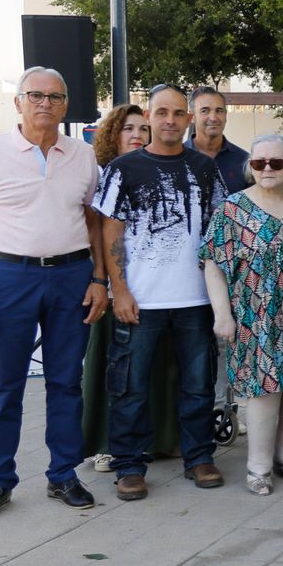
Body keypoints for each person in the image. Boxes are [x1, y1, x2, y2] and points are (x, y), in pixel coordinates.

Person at [0, 67, 108, 521]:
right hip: (9, 278)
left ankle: (63, 473)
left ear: (66, 105)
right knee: (5, 384)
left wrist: (100, 278)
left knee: (66, 382)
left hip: (71, 277)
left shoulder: (82, 156)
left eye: (56, 97)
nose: (45, 103)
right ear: (18, 101)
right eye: (36, 95)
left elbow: (94, 222)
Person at [95, 84, 229, 500]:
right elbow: (109, 229)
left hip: (195, 300)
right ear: (149, 118)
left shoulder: (204, 169)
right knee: (130, 386)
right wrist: (119, 290)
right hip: (143, 299)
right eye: (161, 113)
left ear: (187, 120)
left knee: (198, 384)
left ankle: (200, 457)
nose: (169, 120)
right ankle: (129, 465)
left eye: (177, 113)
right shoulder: (124, 168)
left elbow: (219, 227)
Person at [200, 134, 283, 495]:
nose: (267, 169)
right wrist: (222, 315)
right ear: (251, 167)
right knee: (263, 391)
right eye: (259, 163)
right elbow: (212, 262)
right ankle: (258, 468)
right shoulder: (233, 209)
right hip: (256, 317)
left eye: (276, 162)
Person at [81, 105, 181, 470]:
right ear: (113, 134)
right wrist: (103, 282)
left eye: (143, 127)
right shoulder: (103, 176)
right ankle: (109, 443)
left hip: (157, 288)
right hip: (112, 287)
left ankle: (161, 438)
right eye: (128, 128)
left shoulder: (161, 171)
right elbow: (96, 235)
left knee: (158, 366)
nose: (137, 133)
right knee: (114, 368)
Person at [187, 86, 249, 193]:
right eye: (205, 111)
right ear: (192, 116)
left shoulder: (244, 161)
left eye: (219, 111)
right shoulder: (175, 158)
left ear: (225, 115)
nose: (213, 118)